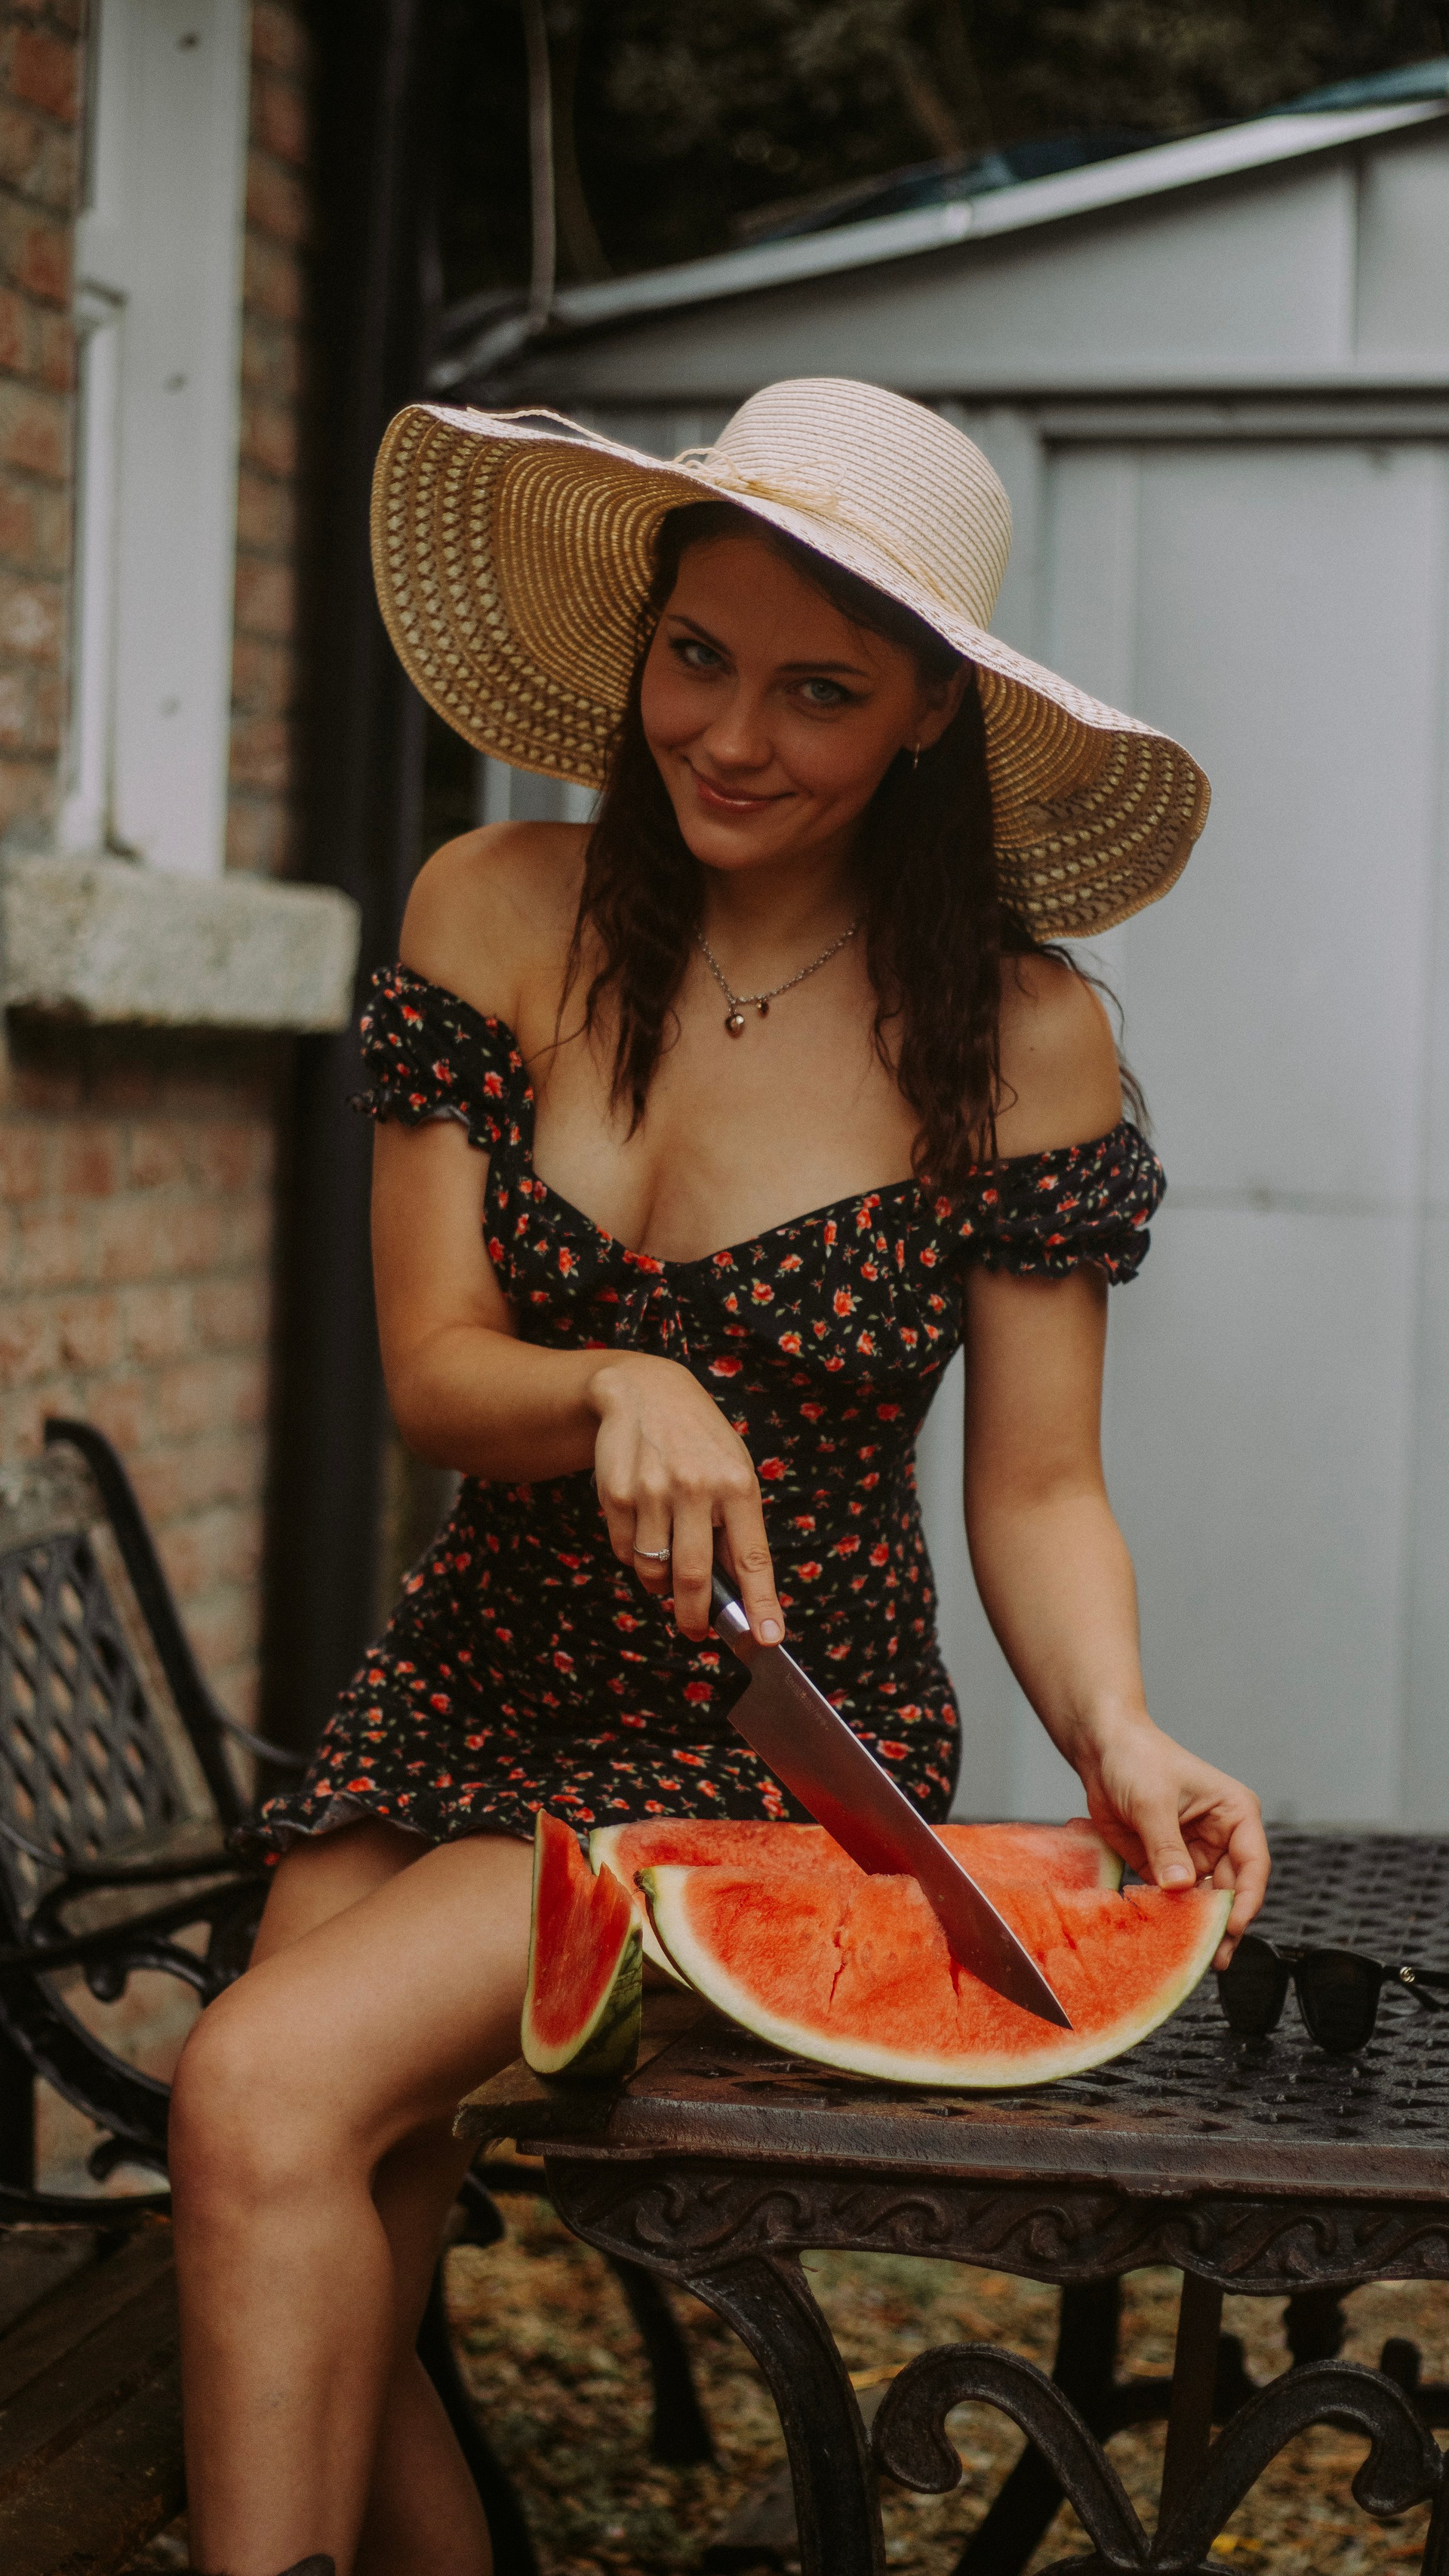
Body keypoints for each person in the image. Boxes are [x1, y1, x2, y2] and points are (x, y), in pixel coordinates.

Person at [168, 378, 1269, 2576]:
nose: (732, 737)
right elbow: (434, 1373)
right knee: (319, 2196)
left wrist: (1118, 1729)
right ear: (640, 639)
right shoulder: (493, 909)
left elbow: (1039, 1490)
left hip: (758, 1731)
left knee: (256, 2092)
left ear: (933, 716)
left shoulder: (1022, 1039)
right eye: (697, 659)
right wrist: (613, 1385)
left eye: (819, 691)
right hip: (465, 1677)